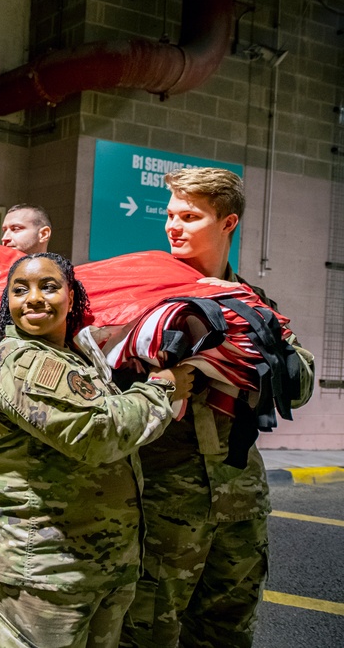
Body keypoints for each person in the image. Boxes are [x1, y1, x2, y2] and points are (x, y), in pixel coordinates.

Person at [120, 168, 315, 648]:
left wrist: (256, 355)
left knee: (227, 631)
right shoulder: (145, 295)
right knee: (147, 631)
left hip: (238, 497)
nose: (173, 226)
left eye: (189, 216)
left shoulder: (252, 304)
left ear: (227, 223)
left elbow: (298, 386)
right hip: (163, 494)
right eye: (170, 214)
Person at [0, 253, 192, 648]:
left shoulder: (72, 358)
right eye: (20, 290)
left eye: (48, 286)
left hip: (87, 566)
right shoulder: (24, 363)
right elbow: (98, 433)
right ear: (7, 303)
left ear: (71, 296)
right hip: (39, 573)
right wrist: (162, 389)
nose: (33, 298)